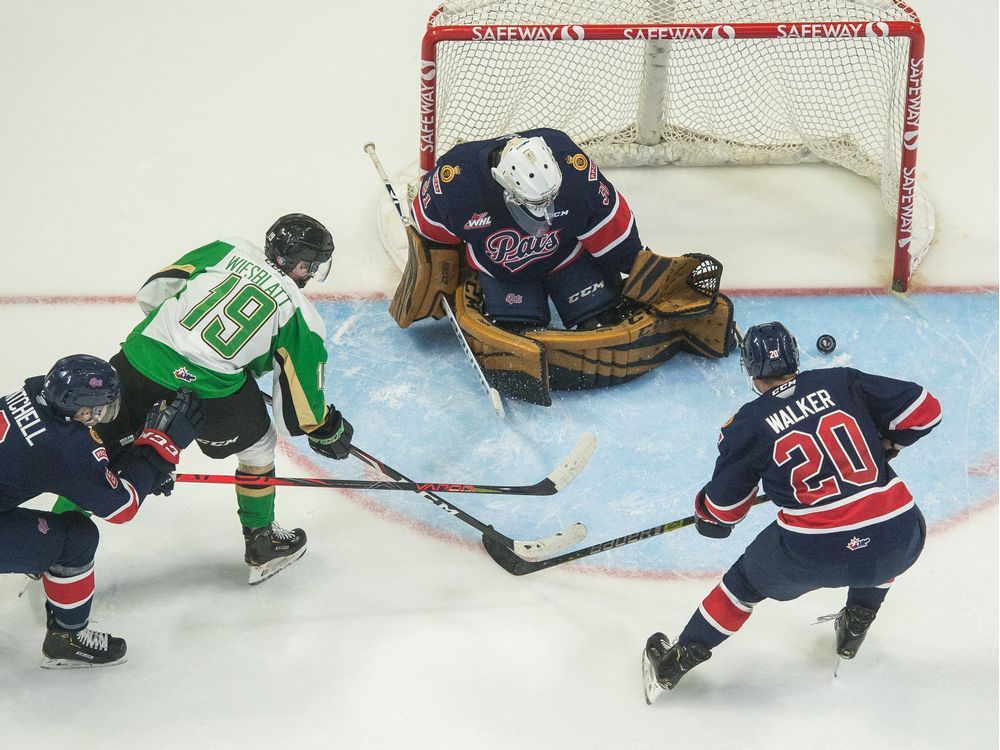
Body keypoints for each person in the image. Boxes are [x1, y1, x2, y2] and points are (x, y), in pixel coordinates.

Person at [641, 321, 942, 704]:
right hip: (901, 537)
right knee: (878, 541)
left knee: (742, 587)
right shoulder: (842, 382)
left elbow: (722, 515)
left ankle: (676, 661)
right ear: (795, 356)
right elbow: (926, 411)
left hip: (812, 553)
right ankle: (856, 623)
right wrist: (889, 444)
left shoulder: (747, 424)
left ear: (749, 369)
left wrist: (706, 513)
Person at [54, 214, 355, 585]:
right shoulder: (302, 315)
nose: (311, 274)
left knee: (103, 448)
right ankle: (261, 541)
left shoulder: (228, 248)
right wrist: (326, 429)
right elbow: (301, 410)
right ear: (302, 264)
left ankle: (54, 539)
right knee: (260, 446)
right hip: (210, 393)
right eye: (313, 266)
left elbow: (154, 291)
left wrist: (182, 338)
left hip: (142, 360)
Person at [1, 355, 203, 667]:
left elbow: (68, 459)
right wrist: (156, 454)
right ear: (79, 407)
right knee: (76, 540)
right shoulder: (63, 447)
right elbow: (122, 507)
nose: (106, 412)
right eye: (100, 407)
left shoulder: (33, 393)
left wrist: (128, 467)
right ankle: (67, 639)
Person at [410, 127, 643, 332]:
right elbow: (431, 230)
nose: (546, 209)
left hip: (568, 258)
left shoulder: (572, 165)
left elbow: (609, 225)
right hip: (504, 272)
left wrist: (638, 269)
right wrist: (446, 267)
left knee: (605, 320)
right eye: (537, 203)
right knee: (516, 333)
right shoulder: (457, 183)